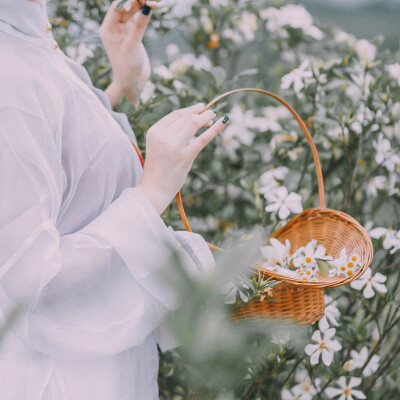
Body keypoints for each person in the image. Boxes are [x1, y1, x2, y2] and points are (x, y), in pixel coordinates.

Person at [0, 0, 229, 398]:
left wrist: (122, 85)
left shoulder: (30, 35)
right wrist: (153, 191)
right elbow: (28, 285)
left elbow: (62, 168)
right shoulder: (10, 71)